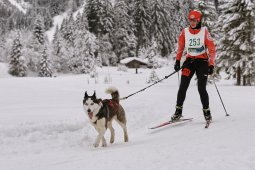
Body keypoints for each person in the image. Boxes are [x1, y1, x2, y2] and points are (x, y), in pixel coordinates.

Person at [171, 10, 216, 122]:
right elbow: (180, 47)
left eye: (194, 20)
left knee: (201, 87)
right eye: (190, 20)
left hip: (202, 62)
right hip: (190, 61)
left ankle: (207, 112)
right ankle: (178, 112)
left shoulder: (204, 31)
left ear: (199, 20)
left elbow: (212, 49)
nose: (192, 22)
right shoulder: (185, 32)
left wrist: (211, 64)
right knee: (183, 86)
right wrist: (177, 61)